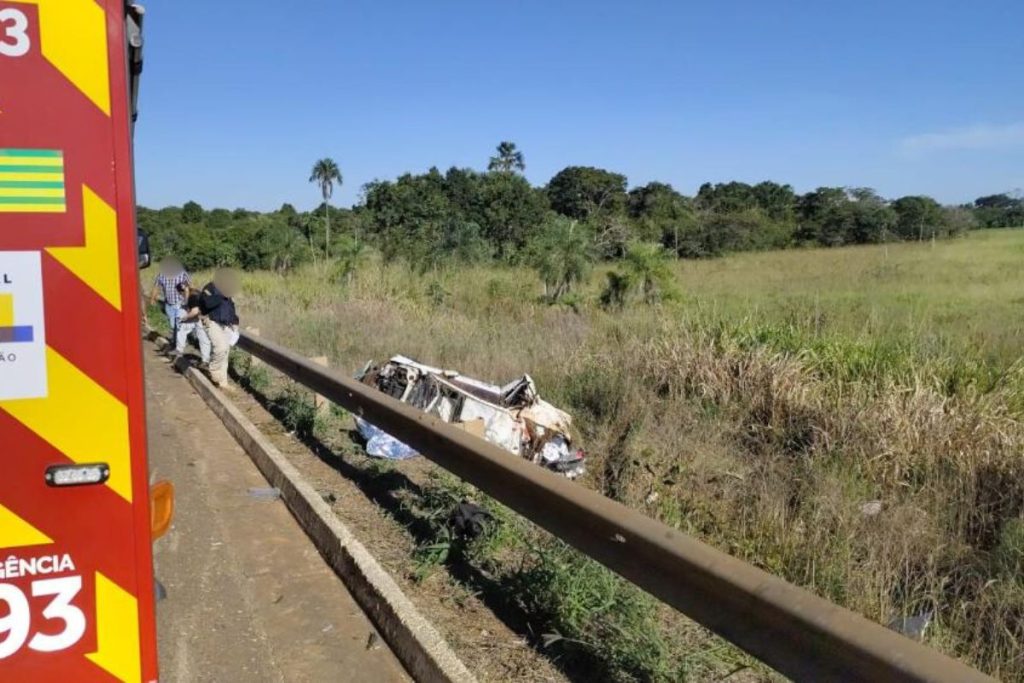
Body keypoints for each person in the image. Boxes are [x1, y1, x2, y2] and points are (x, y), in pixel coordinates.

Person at [199, 268, 241, 388]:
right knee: (221, 347)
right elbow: (208, 304)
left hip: (226, 325)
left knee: (225, 353)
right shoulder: (209, 288)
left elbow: (230, 308)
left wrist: (235, 321)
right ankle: (213, 369)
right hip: (212, 322)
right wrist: (222, 294)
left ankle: (223, 383)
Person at [149, 257, 191, 343]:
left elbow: (187, 289)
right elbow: (156, 287)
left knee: (178, 324)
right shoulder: (161, 275)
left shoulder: (183, 274)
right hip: (168, 304)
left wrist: (187, 302)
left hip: (180, 303)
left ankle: (178, 343)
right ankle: (178, 340)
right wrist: (152, 299)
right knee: (172, 324)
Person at [169, 283, 211, 365]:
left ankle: (205, 360)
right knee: (183, 327)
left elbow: (195, 311)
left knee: (203, 338)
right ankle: (205, 360)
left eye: (180, 293)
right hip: (200, 316)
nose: (181, 294)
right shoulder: (193, 293)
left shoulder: (193, 296)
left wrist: (184, 318)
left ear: (181, 292)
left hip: (203, 317)